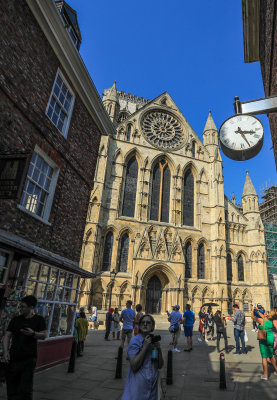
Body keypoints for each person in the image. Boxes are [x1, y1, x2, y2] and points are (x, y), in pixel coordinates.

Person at [3, 295, 47, 400]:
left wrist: (33, 333)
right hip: (13, 358)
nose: (20, 309)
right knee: (12, 387)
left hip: (29, 359)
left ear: (31, 307)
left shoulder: (39, 320)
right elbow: (7, 336)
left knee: (25, 389)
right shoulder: (16, 320)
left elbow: (44, 335)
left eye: (23, 307)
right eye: (20, 306)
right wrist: (5, 352)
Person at [121, 314, 163, 400]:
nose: (145, 324)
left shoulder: (152, 340)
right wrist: (145, 347)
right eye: (143, 323)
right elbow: (134, 366)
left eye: (148, 323)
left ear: (152, 326)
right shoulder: (134, 341)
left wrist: (158, 349)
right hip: (138, 387)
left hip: (152, 388)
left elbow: (159, 365)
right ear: (139, 326)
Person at [251, 305, 277, 380]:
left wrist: (252, 311)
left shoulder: (261, 321)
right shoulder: (270, 320)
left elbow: (252, 317)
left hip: (263, 339)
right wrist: (258, 311)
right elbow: (263, 316)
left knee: (264, 357)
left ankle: (265, 375)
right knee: (271, 356)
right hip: (271, 338)